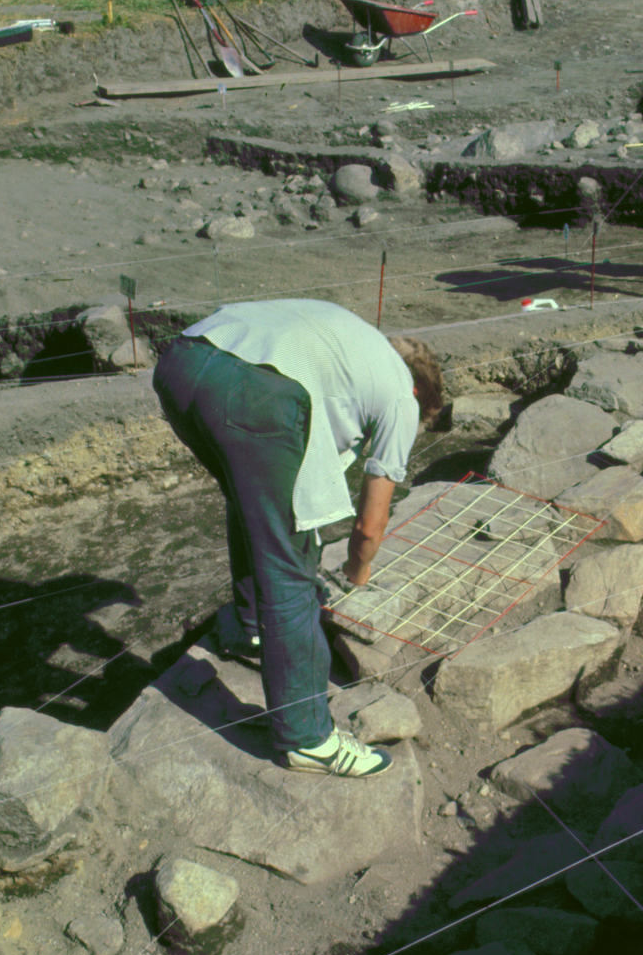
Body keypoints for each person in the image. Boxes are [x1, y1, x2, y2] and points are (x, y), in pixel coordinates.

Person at [153, 299, 444, 779]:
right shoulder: (400, 396)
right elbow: (371, 524)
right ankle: (307, 738)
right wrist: (357, 570)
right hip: (252, 390)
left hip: (184, 361)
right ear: (418, 391)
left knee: (251, 504)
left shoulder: (358, 341)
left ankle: (249, 626)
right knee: (291, 567)